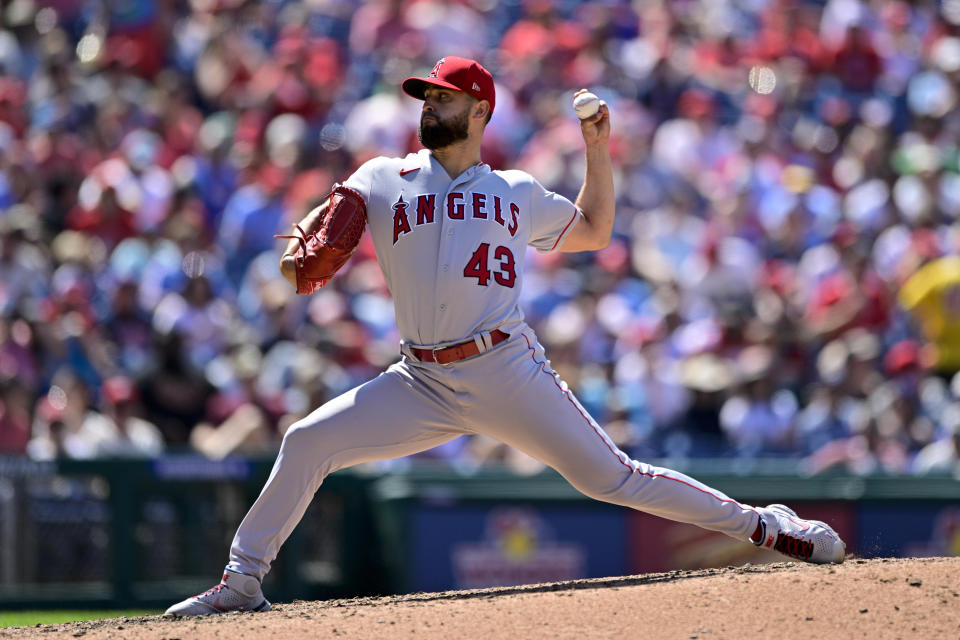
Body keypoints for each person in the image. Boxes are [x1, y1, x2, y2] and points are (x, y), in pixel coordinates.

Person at [165, 56, 845, 617]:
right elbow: (314, 240)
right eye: (426, 97)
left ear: (480, 112)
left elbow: (595, 231)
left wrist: (597, 151)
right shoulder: (383, 176)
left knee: (613, 478)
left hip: (506, 369)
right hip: (420, 379)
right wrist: (301, 249)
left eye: (445, 98)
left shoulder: (515, 192)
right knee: (307, 440)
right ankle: (242, 581)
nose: (429, 107)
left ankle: (766, 526)